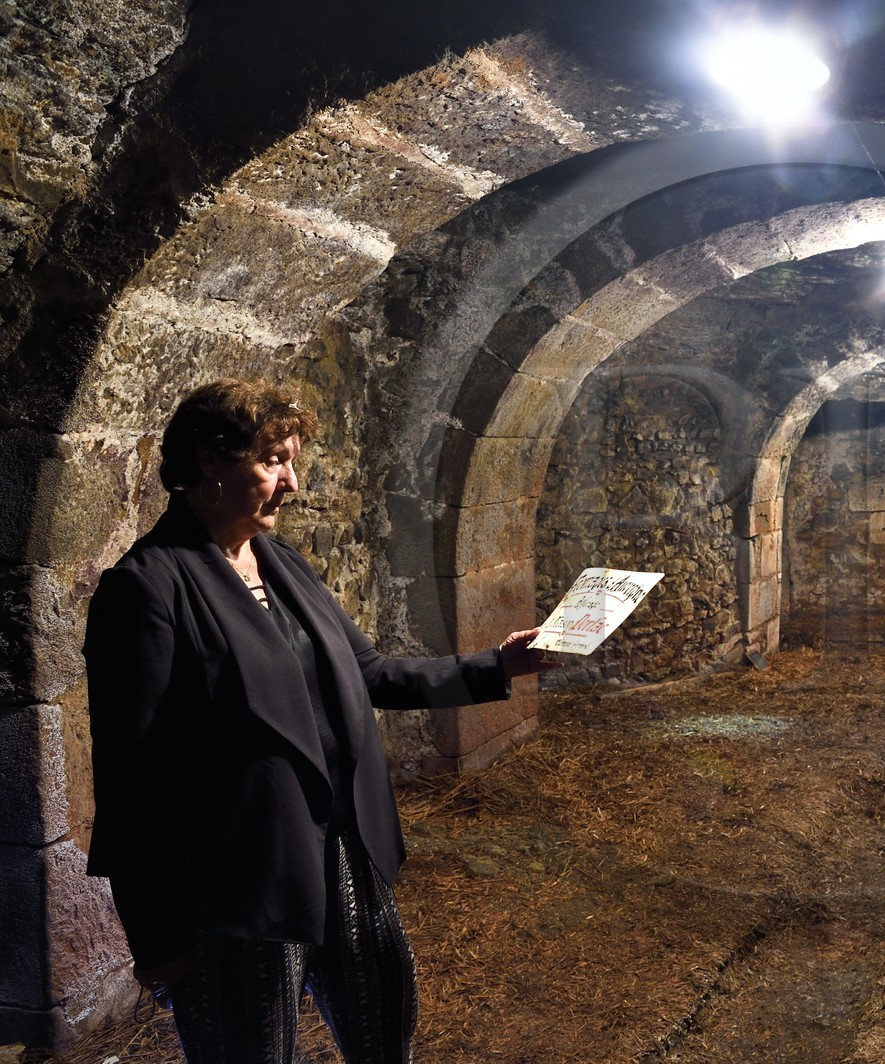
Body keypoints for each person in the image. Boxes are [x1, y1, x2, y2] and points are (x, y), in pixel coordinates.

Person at [83, 378, 553, 1063]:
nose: (292, 483)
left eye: (292, 461)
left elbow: (368, 673)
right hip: (240, 890)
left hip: (343, 857)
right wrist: (156, 941)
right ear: (212, 460)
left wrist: (497, 667)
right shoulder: (148, 588)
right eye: (275, 460)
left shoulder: (280, 564)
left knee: (385, 1035)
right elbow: (134, 781)